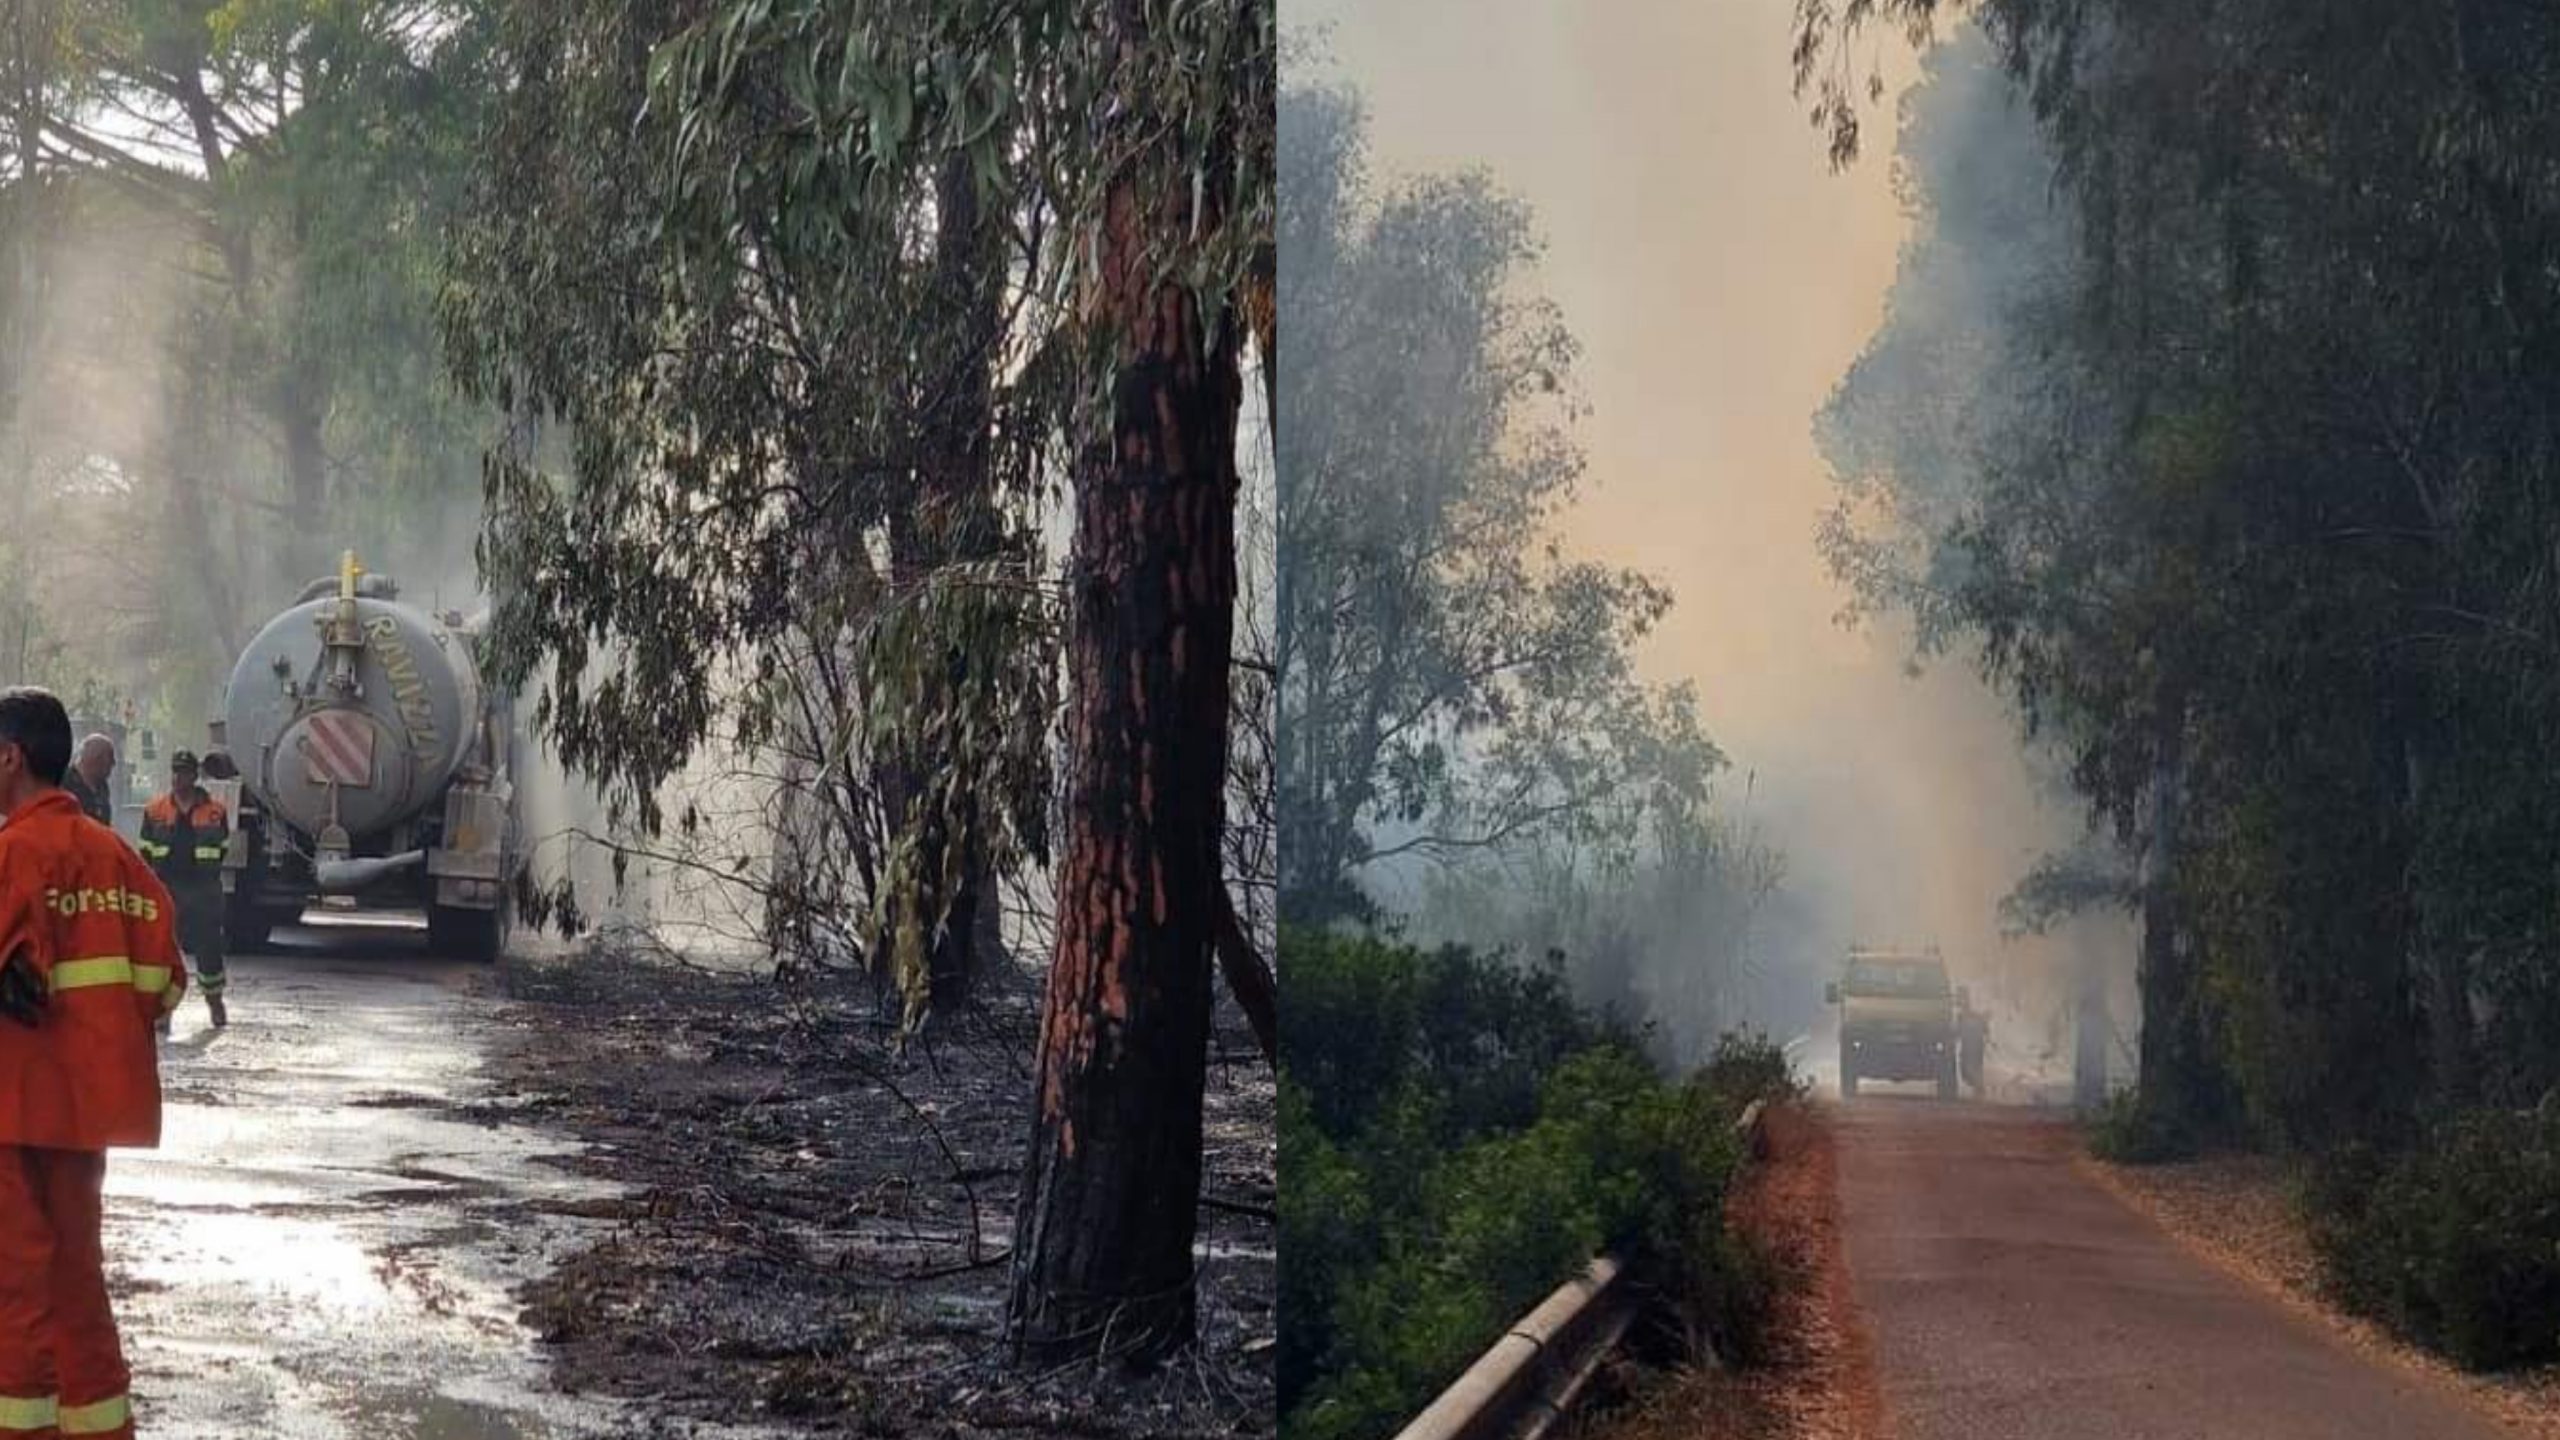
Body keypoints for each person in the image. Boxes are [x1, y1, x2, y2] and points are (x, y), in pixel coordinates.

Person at [0, 685, 187, 1440]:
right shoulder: (119, 857)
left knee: (15, 1282)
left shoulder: (12, 852)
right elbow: (165, 983)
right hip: (86, 1115)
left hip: (12, 1108)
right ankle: (101, 1428)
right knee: (77, 1276)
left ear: (9, 757)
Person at [138, 751, 230, 1029]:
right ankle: (164, 1012)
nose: (178, 778)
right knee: (164, 952)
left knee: (209, 951)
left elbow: (222, 849)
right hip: (168, 889)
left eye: (185, 772)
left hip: (204, 891)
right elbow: (145, 850)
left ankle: (214, 1002)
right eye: (175, 772)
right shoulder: (155, 811)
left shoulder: (215, 811)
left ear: (194, 775)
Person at [61, 736, 115, 829]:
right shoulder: (63, 784)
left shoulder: (102, 787)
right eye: (110, 757)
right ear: (95, 758)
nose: (113, 763)